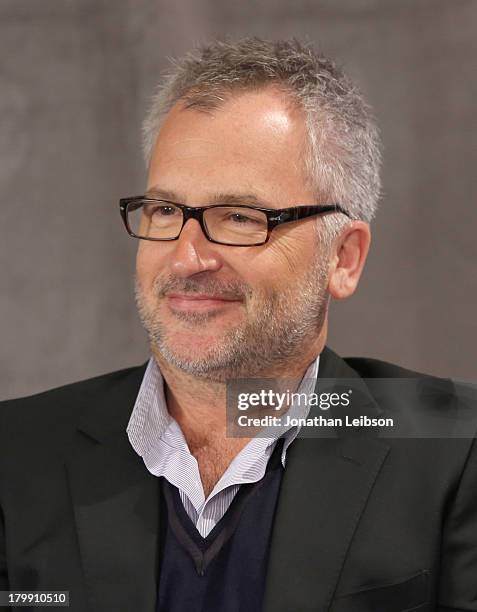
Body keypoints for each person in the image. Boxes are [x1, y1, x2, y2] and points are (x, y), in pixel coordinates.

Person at [0, 37, 476, 612]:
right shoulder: (16, 453)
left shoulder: (455, 448)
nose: (187, 257)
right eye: (166, 211)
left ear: (342, 258)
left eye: (241, 217)